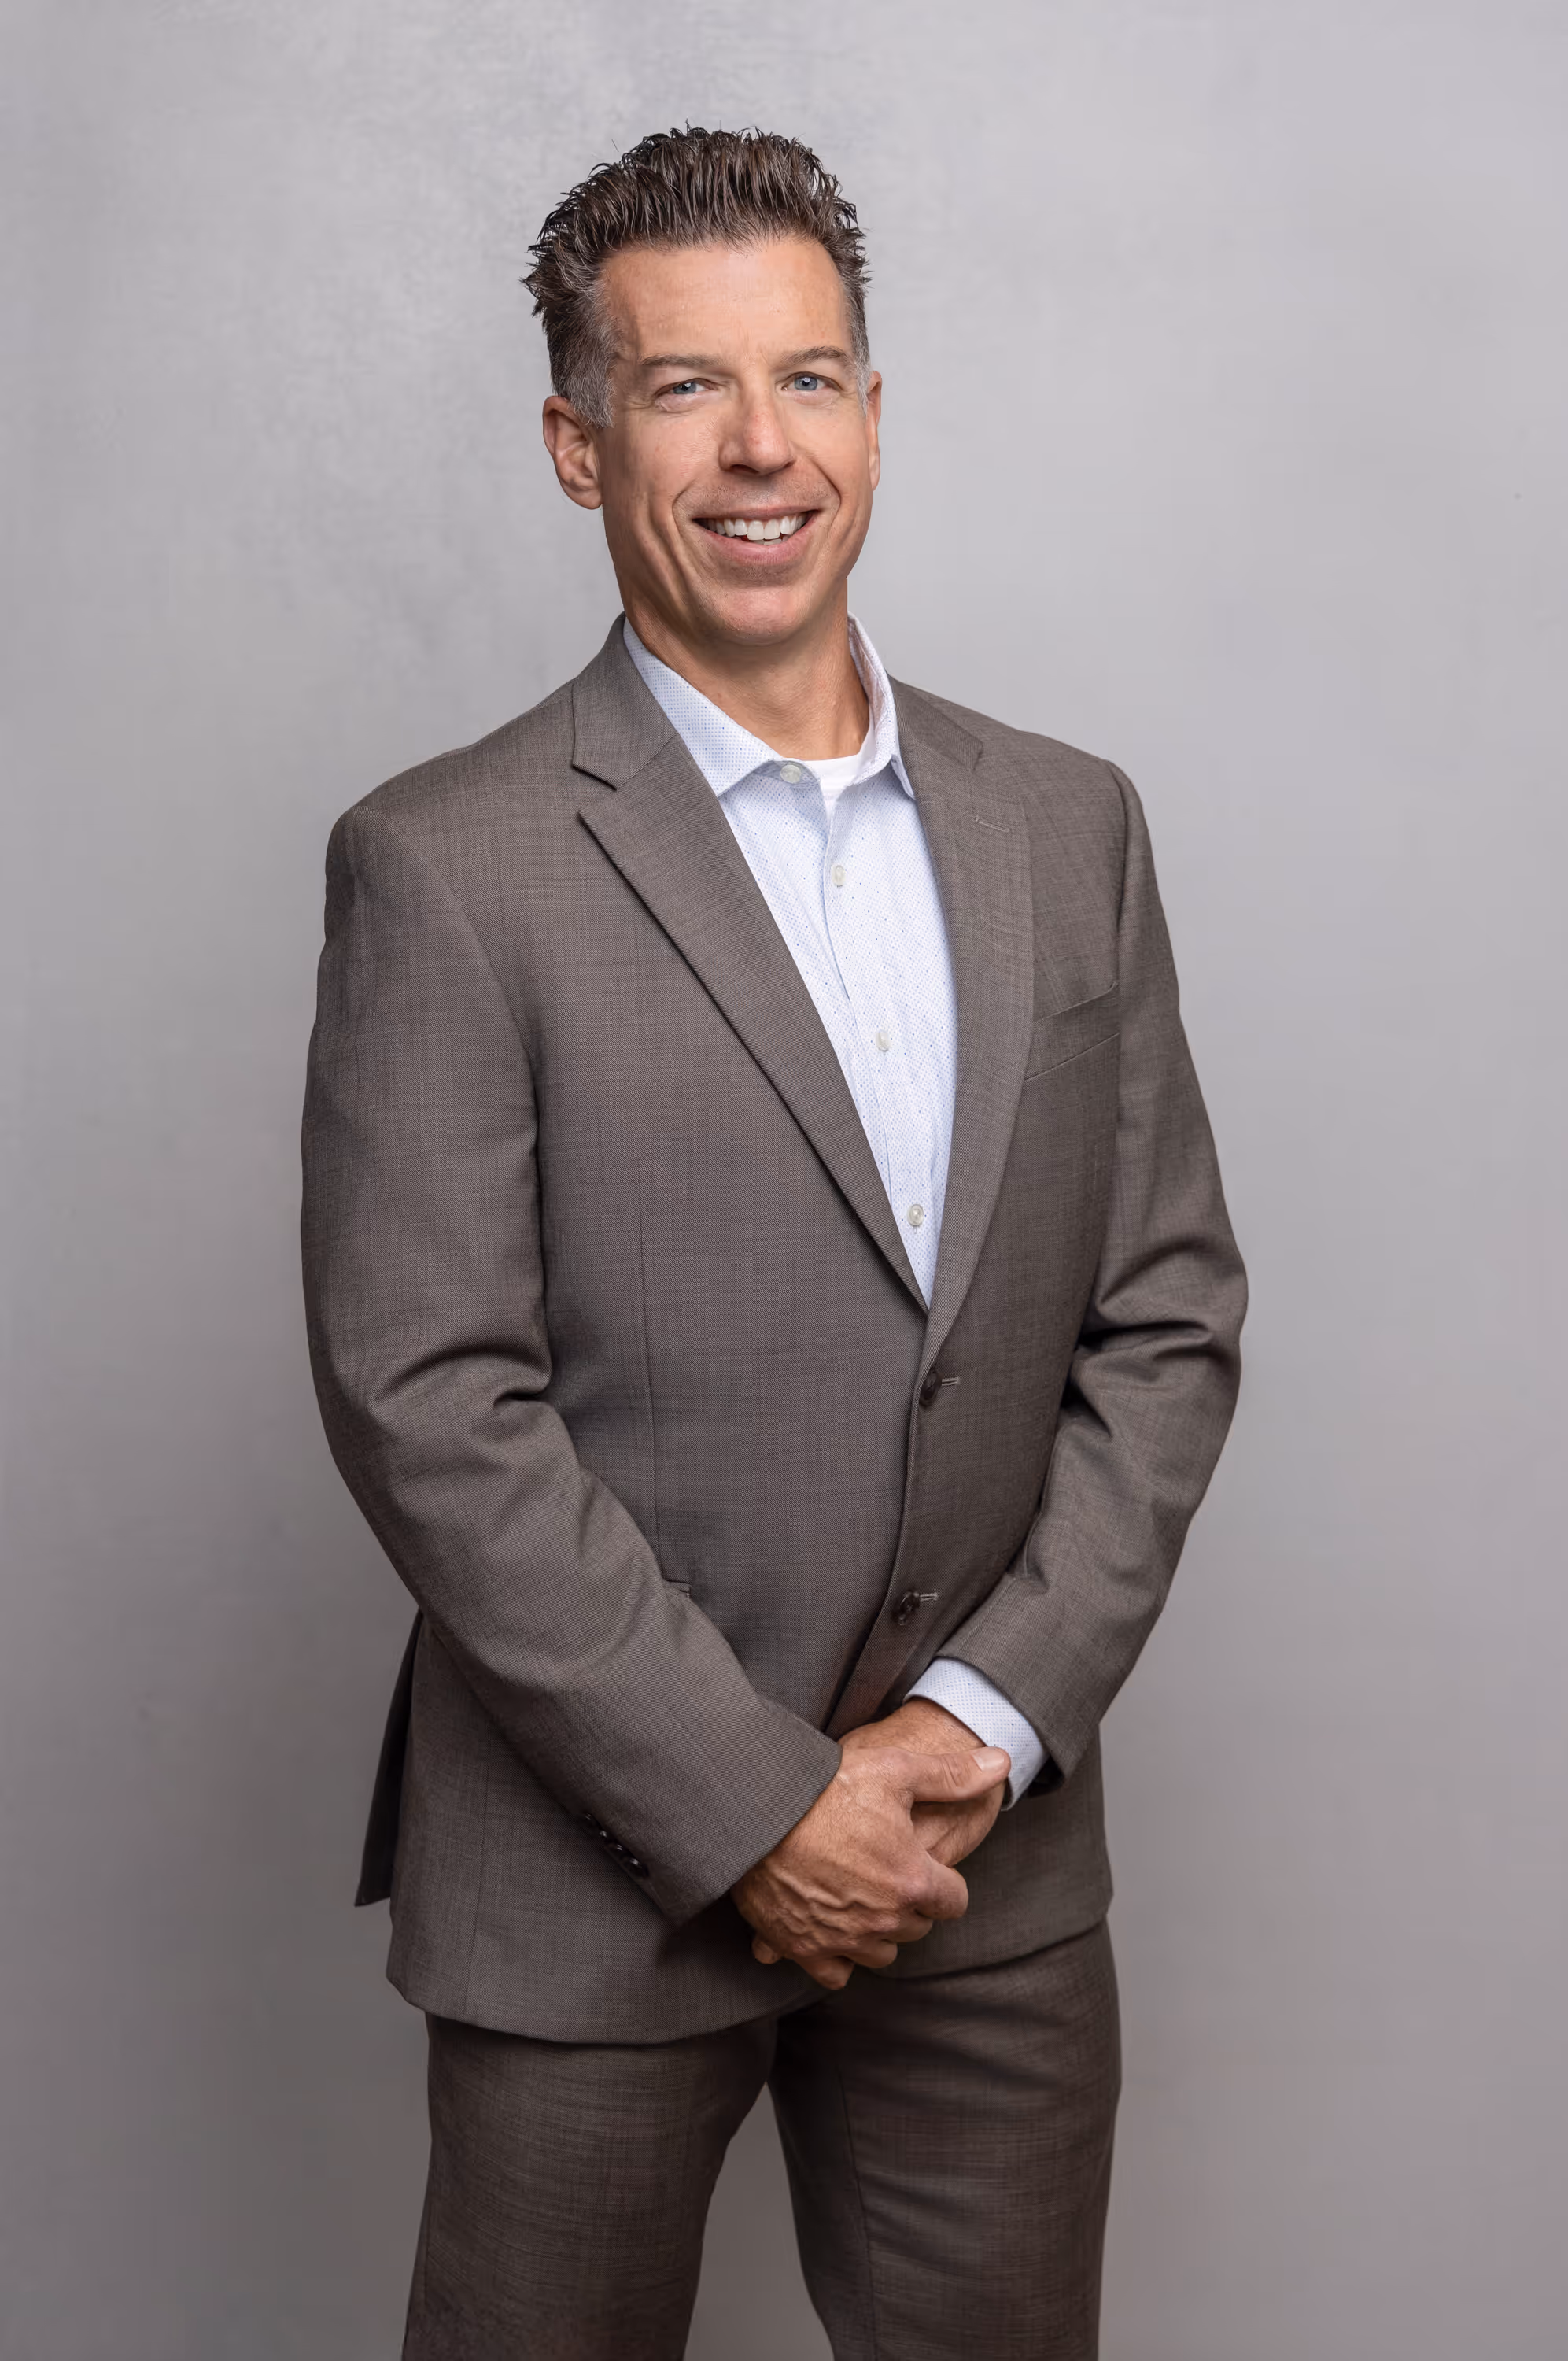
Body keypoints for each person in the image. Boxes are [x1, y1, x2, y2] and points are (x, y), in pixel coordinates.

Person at [301, 124, 1246, 2361]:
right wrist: (754, 1808)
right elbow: (427, 1398)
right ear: (579, 444)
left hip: (982, 1871)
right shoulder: (447, 864)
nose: (760, 448)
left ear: (874, 418)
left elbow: (1166, 1316)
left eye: (808, 378)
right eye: (684, 388)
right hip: (590, 1886)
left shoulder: (1071, 825)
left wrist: (973, 1735)